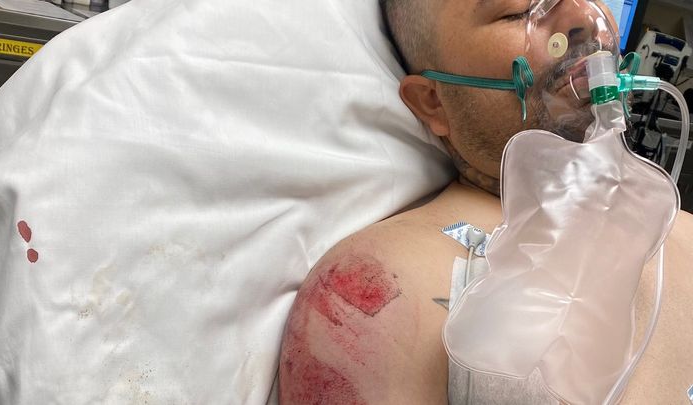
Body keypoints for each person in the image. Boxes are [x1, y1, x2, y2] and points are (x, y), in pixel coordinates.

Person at [278, 0, 693, 403]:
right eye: (518, 10)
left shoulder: (681, 229)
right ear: (432, 101)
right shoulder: (375, 293)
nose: (584, 16)